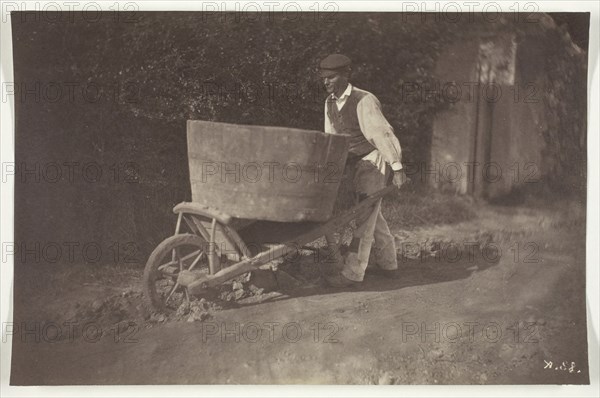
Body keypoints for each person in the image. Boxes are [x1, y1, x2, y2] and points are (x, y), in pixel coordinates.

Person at [319, 53, 408, 287]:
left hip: (373, 160)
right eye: (323, 77)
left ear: (346, 75)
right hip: (353, 163)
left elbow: (382, 134)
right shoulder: (329, 103)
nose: (326, 82)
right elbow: (332, 140)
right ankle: (389, 264)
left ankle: (352, 274)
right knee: (372, 215)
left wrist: (396, 167)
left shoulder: (364, 100)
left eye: (331, 77)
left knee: (364, 218)